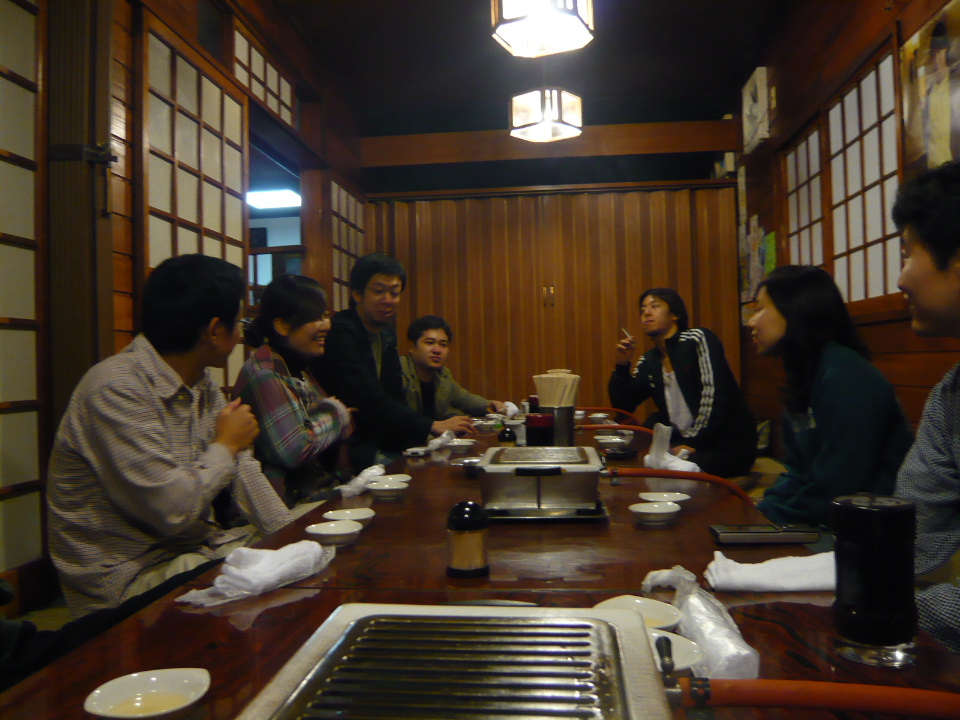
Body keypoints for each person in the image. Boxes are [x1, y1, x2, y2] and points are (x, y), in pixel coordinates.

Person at [46, 254, 292, 618]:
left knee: (299, 552)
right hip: (126, 577)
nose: (242, 334)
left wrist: (295, 539)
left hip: (193, 550)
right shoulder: (116, 388)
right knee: (269, 594)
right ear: (214, 331)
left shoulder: (200, 383)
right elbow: (172, 511)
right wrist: (226, 445)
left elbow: (243, 472)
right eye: (238, 322)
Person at [748, 265, 913, 527]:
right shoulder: (806, 374)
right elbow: (798, 471)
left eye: (760, 309)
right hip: (830, 516)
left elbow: (841, 486)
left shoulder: (845, 375)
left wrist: (774, 520)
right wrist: (762, 512)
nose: (751, 322)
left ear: (796, 309)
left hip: (872, 526)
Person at [314, 253, 474, 472]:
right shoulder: (341, 332)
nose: (388, 299)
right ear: (357, 294)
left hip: (384, 440)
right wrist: (432, 425)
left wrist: (424, 440)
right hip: (349, 445)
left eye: (394, 293)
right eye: (379, 291)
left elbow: (395, 394)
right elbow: (366, 398)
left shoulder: (386, 333)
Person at [893, 160, 960, 653]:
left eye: (907, 253)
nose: (901, 279)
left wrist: (892, 611)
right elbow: (913, 541)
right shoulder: (950, 395)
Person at [608, 288, 756, 478]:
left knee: (671, 471)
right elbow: (623, 405)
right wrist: (621, 366)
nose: (646, 312)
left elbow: (714, 396)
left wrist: (693, 443)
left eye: (655, 306)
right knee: (643, 463)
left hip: (726, 444)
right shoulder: (649, 360)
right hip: (684, 444)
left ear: (675, 314)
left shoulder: (697, 339)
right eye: (643, 309)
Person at [232, 275, 351, 507]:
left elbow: (313, 428)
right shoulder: (264, 373)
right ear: (283, 325)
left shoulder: (298, 366)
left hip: (313, 496)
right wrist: (338, 413)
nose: (326, 325)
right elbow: (295, 448)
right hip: (282, 507)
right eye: (315, 318)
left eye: (325, 315)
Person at [400, 315, 507, 419]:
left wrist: (489, 405)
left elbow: (463, 399)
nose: (437, 350)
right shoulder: (397, 371)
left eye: (443, 344)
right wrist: (435, 426)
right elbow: (400, 417)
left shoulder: (442, 374)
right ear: (412, 346)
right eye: (430, 343)